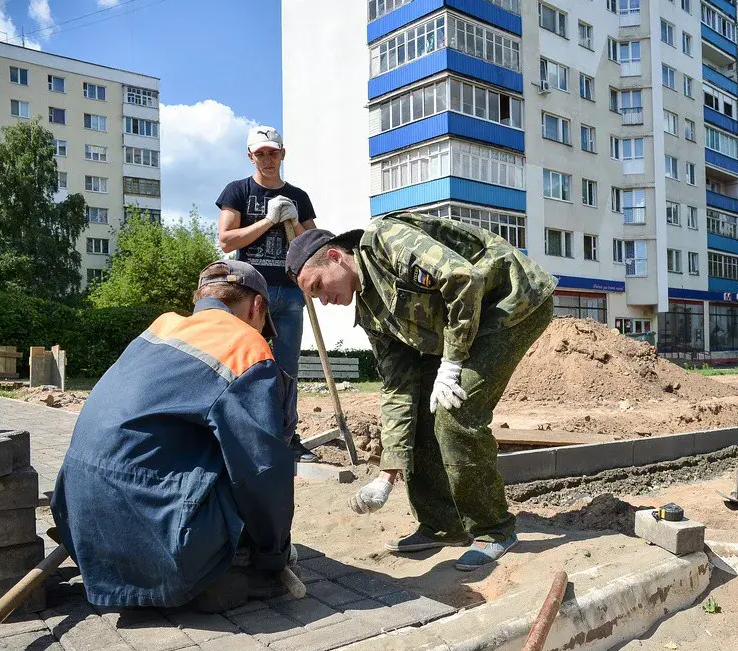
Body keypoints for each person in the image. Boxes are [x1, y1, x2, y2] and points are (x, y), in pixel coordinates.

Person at [285, 213, 557, 571]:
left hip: (509, 304)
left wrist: (453, 361)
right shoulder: (370, 313)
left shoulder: (385, 240)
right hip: (460, 327)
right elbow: (398, 388)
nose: (323, 300)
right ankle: (443, 524)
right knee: (423, 415)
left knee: (455, 413)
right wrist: (387, 474)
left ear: (335, 257)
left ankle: (494, 530)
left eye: (317, 286)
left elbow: (463, 279)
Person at [50, 260, 298, 610]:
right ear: (257, 306)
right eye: (262, 323)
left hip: (79, 523)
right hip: (165, 543)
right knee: (241, 461)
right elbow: (261, 470)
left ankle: (138, 565)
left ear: (200, 299)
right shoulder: (246, 347)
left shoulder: (158, 329)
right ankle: (201, 577)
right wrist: (274, 555)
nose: (261, 332)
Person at [216, 125, 316, 461]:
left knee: (287, 370)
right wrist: (268, 220)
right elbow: (227, 240)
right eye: (261, 153)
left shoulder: (298, 197)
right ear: (250, 156)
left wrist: (295, 221)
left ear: (282, 154)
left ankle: (288, 437)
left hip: (289, 293)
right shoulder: (238, 191)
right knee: (246, 364)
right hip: (249, 294)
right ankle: (242, 434)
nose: (268, 159)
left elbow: (314, 247)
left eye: (273, 152)